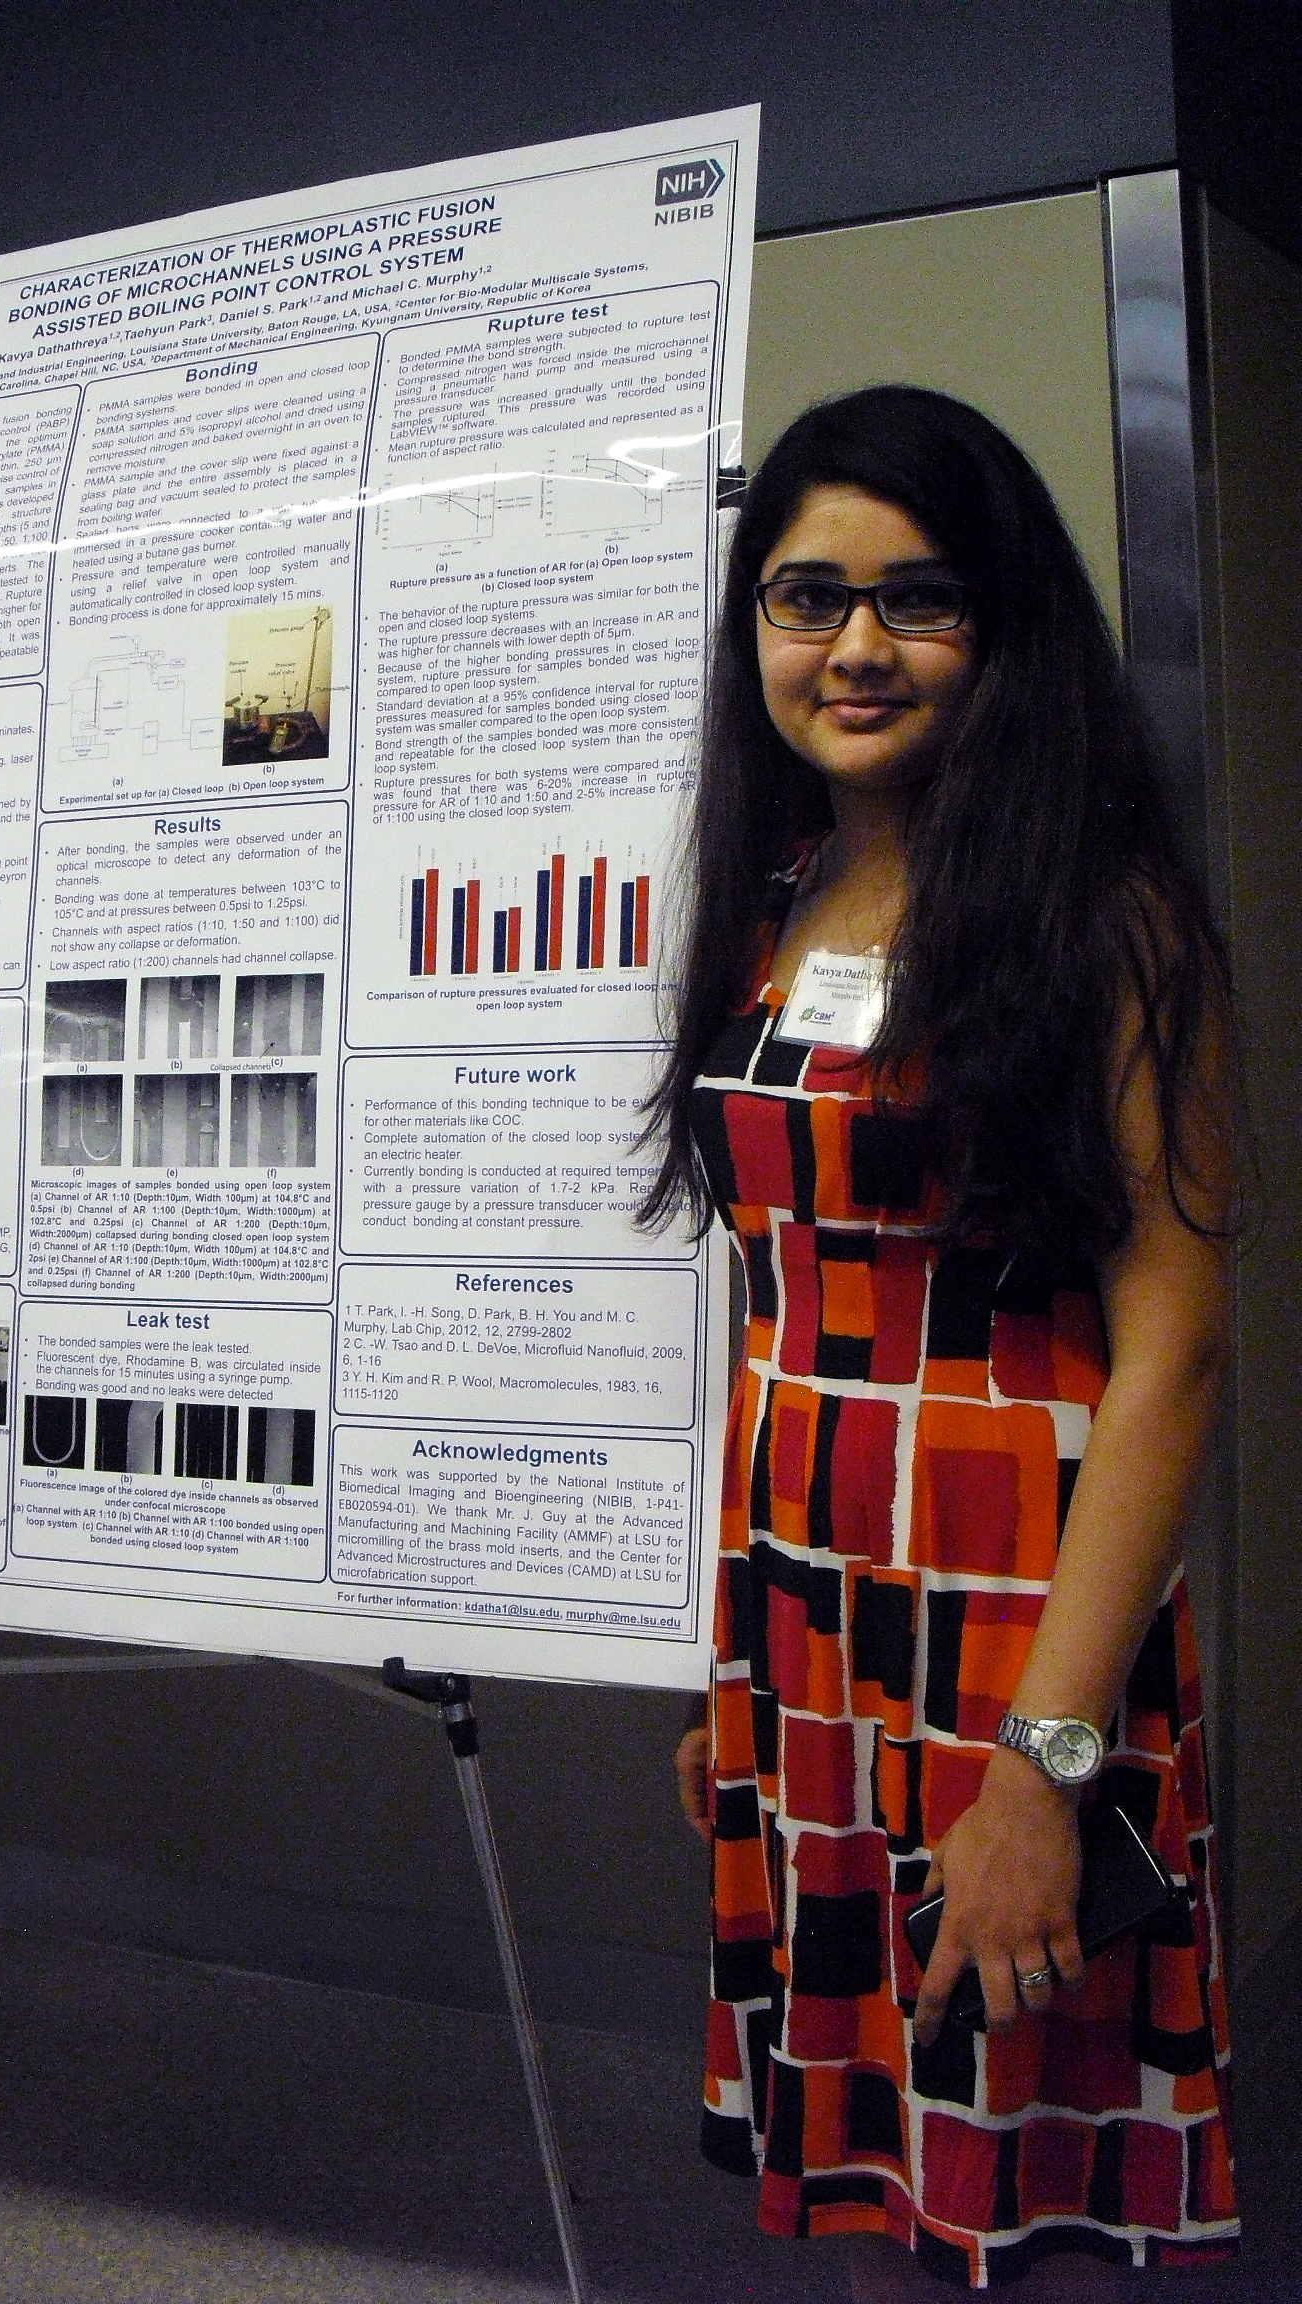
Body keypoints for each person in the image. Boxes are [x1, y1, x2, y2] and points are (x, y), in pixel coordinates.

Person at [639, 387, 1240, 2295]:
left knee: (1010, 2131)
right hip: (800, 1617)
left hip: (1013, 1620)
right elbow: (773, 1307)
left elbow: (1175, 1356)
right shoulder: (764, 902)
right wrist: (721, 1666)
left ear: (1009, 629)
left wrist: (1045, 1769)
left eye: (922, 600)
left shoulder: (1107, 923)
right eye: (808, 598)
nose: (859, 648)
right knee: (865, 2135)